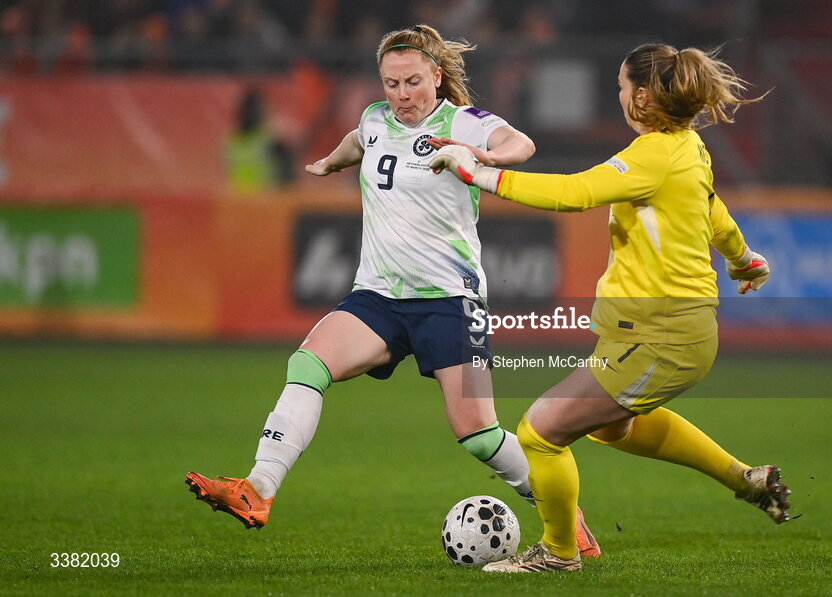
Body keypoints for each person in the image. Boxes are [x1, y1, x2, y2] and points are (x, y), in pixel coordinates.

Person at [185, 24, 601, 557]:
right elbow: (362, 140)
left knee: (476, 432)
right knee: (308, 364)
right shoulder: (376, 118)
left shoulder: (463, 123)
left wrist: (486, 160)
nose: (401, 95)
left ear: (437, 76)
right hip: (377, 296)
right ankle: (258, 489)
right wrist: (333, 161)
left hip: (450, 300)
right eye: (391, 83)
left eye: (412, 82)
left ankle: (568, 522)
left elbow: (520, 143)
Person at [430, 43, 791, 573]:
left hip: (665, 336)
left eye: (622, 87)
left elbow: (575, 193)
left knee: (540, 431)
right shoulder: (686, 147)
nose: (618, 95)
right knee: (611, 427)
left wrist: (476, 175)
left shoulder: (653, 154)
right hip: (648, 331)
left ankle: (557, 554)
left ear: (643, 96)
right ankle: (745, 480)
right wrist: (743, 259)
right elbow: (711, 210)